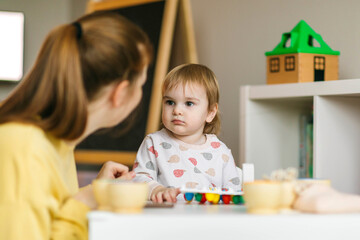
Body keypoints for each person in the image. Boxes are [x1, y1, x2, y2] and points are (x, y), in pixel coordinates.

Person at [0, 11, 152, 240]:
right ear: (120, 94)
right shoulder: (24, 148)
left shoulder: (57, 143)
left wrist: (95, 191)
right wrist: (84, 202)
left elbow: (45, 213)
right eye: (141, 85)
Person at [133, 64, 241, 203]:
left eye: (189, 103)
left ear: (210, 113)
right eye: (170, 102)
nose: (177, 110)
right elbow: (137, 177)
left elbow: (234, 195)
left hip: (209, 220)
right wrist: (156, 189)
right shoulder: (154, 143)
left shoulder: (221, 152)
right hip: (166, 218)